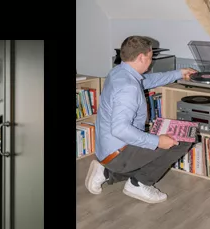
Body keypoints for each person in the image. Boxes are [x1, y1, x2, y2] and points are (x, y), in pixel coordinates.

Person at [85, 36, 199, 204]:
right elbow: (120, 129)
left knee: (155, 141)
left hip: (108, 149)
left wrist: (179, 73)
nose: (151, 61)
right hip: (118, 152)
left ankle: (106, 172)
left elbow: (149, 81)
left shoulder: (119, 72)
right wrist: (157, 141)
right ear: (141, 57)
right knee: (183, 139)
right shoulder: (128, 88)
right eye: (150, 57)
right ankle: (139, 184)